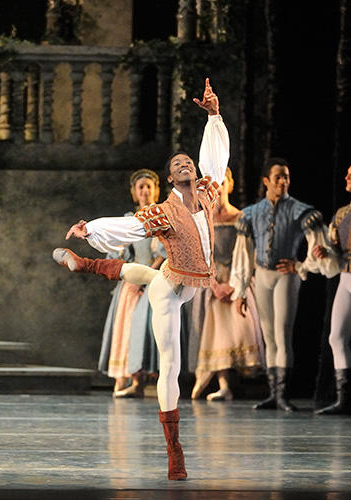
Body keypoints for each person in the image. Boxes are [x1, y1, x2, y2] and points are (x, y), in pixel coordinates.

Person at [52, 78, 230, 480]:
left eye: (189, 162)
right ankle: (174, 451)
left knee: (147, 275)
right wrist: (91, 230)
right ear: (170, 179)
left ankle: (85, 266)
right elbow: (129, 226)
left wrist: (215, 116)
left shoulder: (209, 191)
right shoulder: (162, 212)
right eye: (177, 165)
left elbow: (218, 157)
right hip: (172, 291)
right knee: (171, 364)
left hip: (187, 281)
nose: (185, 165)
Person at [230, 157, 339, 412]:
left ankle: (282, 393)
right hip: (262, 275)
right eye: (278, 177)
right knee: (269, 335)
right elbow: (243, 253)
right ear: (266, 180)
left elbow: (318, 244)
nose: (283, 181)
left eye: (286, 177)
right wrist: (241, 289)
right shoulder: (251, 213)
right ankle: (273, 392)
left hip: (285, 277)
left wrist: (300, 265)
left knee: (282, 332)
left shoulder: (300, 210)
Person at [188, 167, 264, 401]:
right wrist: (214, 285)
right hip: (212, 281)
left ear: (229, 186)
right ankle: (222, 383)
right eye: (213, 185)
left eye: (222, 183)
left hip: (237, 278)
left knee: (239, 328)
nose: (218, 189)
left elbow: (250, 254)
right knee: (214, 328)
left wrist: (234, 284)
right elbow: (198, 256)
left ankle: (233, 382)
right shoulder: (202, 219)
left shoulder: (241, 217)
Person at [98, 169, 166, 398]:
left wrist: (147, 276)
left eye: (149, 186)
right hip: (132, 281)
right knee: (126, 328)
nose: (145, 191)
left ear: (156, 190)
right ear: (134, 192)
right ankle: (127, 377)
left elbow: (162, 253)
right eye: (141, 187)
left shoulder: (162, 216)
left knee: (149, 328)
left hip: (154, 279)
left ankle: (145, 380)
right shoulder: (130, 219)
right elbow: (122, 251)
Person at [315, 159, 351, 416]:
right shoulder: (342, 214)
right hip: (347, 278)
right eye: (347, 173)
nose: (347, 178)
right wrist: (325, 251)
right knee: (336, 337)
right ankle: (345, 399)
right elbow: (336, 248)